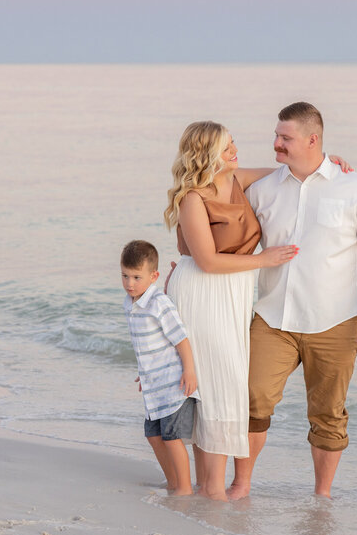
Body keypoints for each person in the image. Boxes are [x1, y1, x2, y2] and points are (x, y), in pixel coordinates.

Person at [231, 102, 357, 499]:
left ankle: (322, 497)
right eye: (276, 135)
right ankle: (242, 484)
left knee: (328, 413)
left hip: (334, 321)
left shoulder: (355, 186)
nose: (276, 143)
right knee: (252, 399)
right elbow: (219, 194)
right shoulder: (263, 189)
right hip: (272, 318)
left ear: (312, 139)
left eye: (285, 138)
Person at [163, 121, 299, 501]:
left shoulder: (238, 178)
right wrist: (265, 259)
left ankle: (208, 485)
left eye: (234, 143)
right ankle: (213, 490)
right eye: (226, 148)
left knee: (223, 381)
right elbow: (206, 260)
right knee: (216, 382)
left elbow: (286, 172)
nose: (235, 152)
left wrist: (328, 164)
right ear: (205, 155)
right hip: (202, 292)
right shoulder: (193, 197)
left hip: (234, 294)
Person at [121, 239, 198, 496]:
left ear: (154, 276)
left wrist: (189, 370)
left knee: (171, 437)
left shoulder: (159, 303)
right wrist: (144, 373)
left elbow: (180, 338)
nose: (130, 283)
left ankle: (184, 487)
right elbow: (146, 346)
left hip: (173, 383)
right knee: (153, 435)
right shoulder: (130, 304)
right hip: (154, 384)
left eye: (136, 277)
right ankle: (172, 482)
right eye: (125, 276)